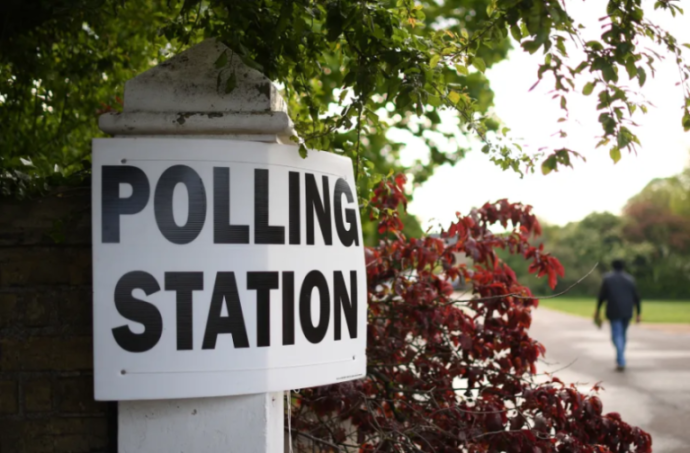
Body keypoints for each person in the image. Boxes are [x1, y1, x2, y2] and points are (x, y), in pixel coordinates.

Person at [594, 259, 642, 372]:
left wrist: (597, 310)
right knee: (622, 335)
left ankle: (621, 360)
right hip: (627, 311)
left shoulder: (607, 279)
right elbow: (637, 297)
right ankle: (620, 358)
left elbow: (602, 296)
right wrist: (638, 313)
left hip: (614, 311)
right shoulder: (630, 279)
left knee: (617, 336)